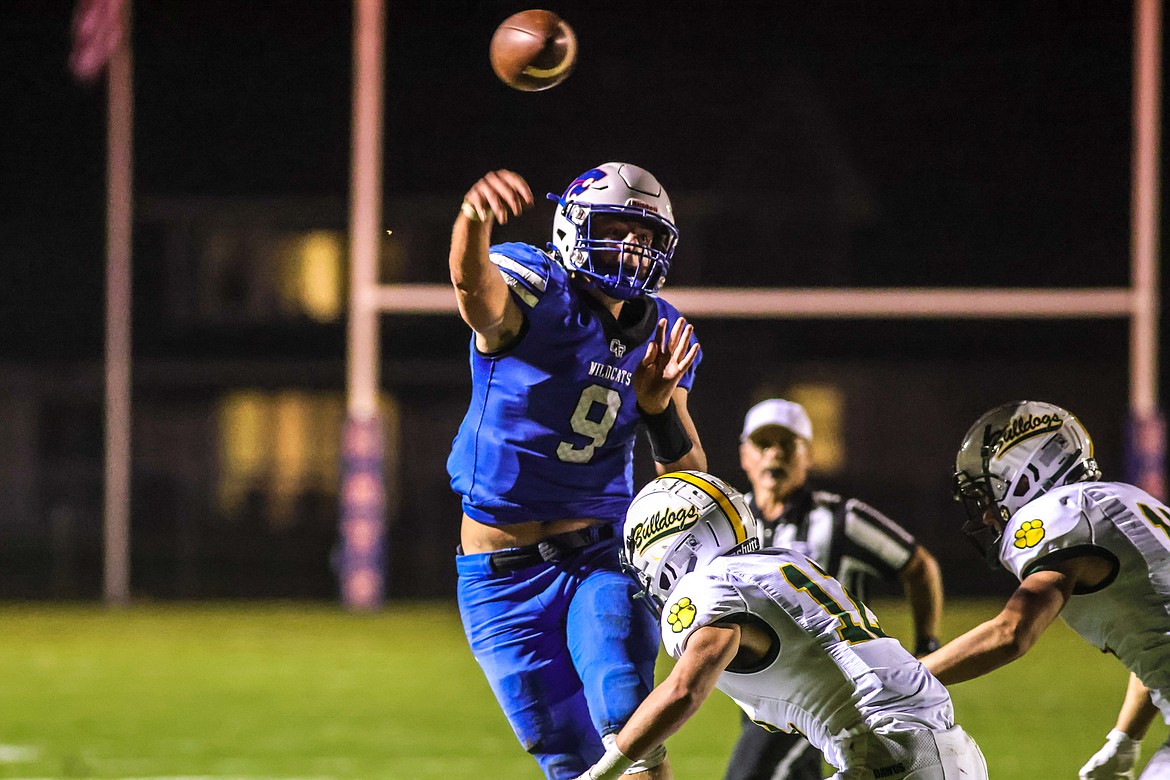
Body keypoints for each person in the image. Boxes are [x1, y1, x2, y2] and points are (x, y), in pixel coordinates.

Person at [447, 162, 708, 780]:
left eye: (646, 238)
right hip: (498, 577)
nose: (631, 248)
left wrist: (658, 412)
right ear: (574, 227)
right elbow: (472, 289)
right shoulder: (535, 287)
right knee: (567, 758)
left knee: (627, 724)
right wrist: (472, 220)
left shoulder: (664, 330)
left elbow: (689, 473)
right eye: (617, 227)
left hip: (600, 554)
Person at [574, 469, 988, 780]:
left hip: (890, 754)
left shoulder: (706, 587)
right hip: (953, 751)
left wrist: (601, 773)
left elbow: (684, 689)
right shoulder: (783, 561)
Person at [919, 400, 1170, 779]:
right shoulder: (1128, 500)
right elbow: (1153, 638)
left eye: (989, 495)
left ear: (1029, 475)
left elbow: (1011, 632)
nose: (987, 513)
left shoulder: (1060, 516)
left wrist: (904, 679)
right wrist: (1125, 739)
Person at [725, 398, 946, 780]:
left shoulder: (843, 518)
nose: (774, 454)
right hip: (764, 690)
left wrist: (927, 644)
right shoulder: (732, 521)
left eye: (787, 444)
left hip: (829, 684)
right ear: (745, 455)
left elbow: (918, 565)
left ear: (808, 456)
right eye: (763, 444)